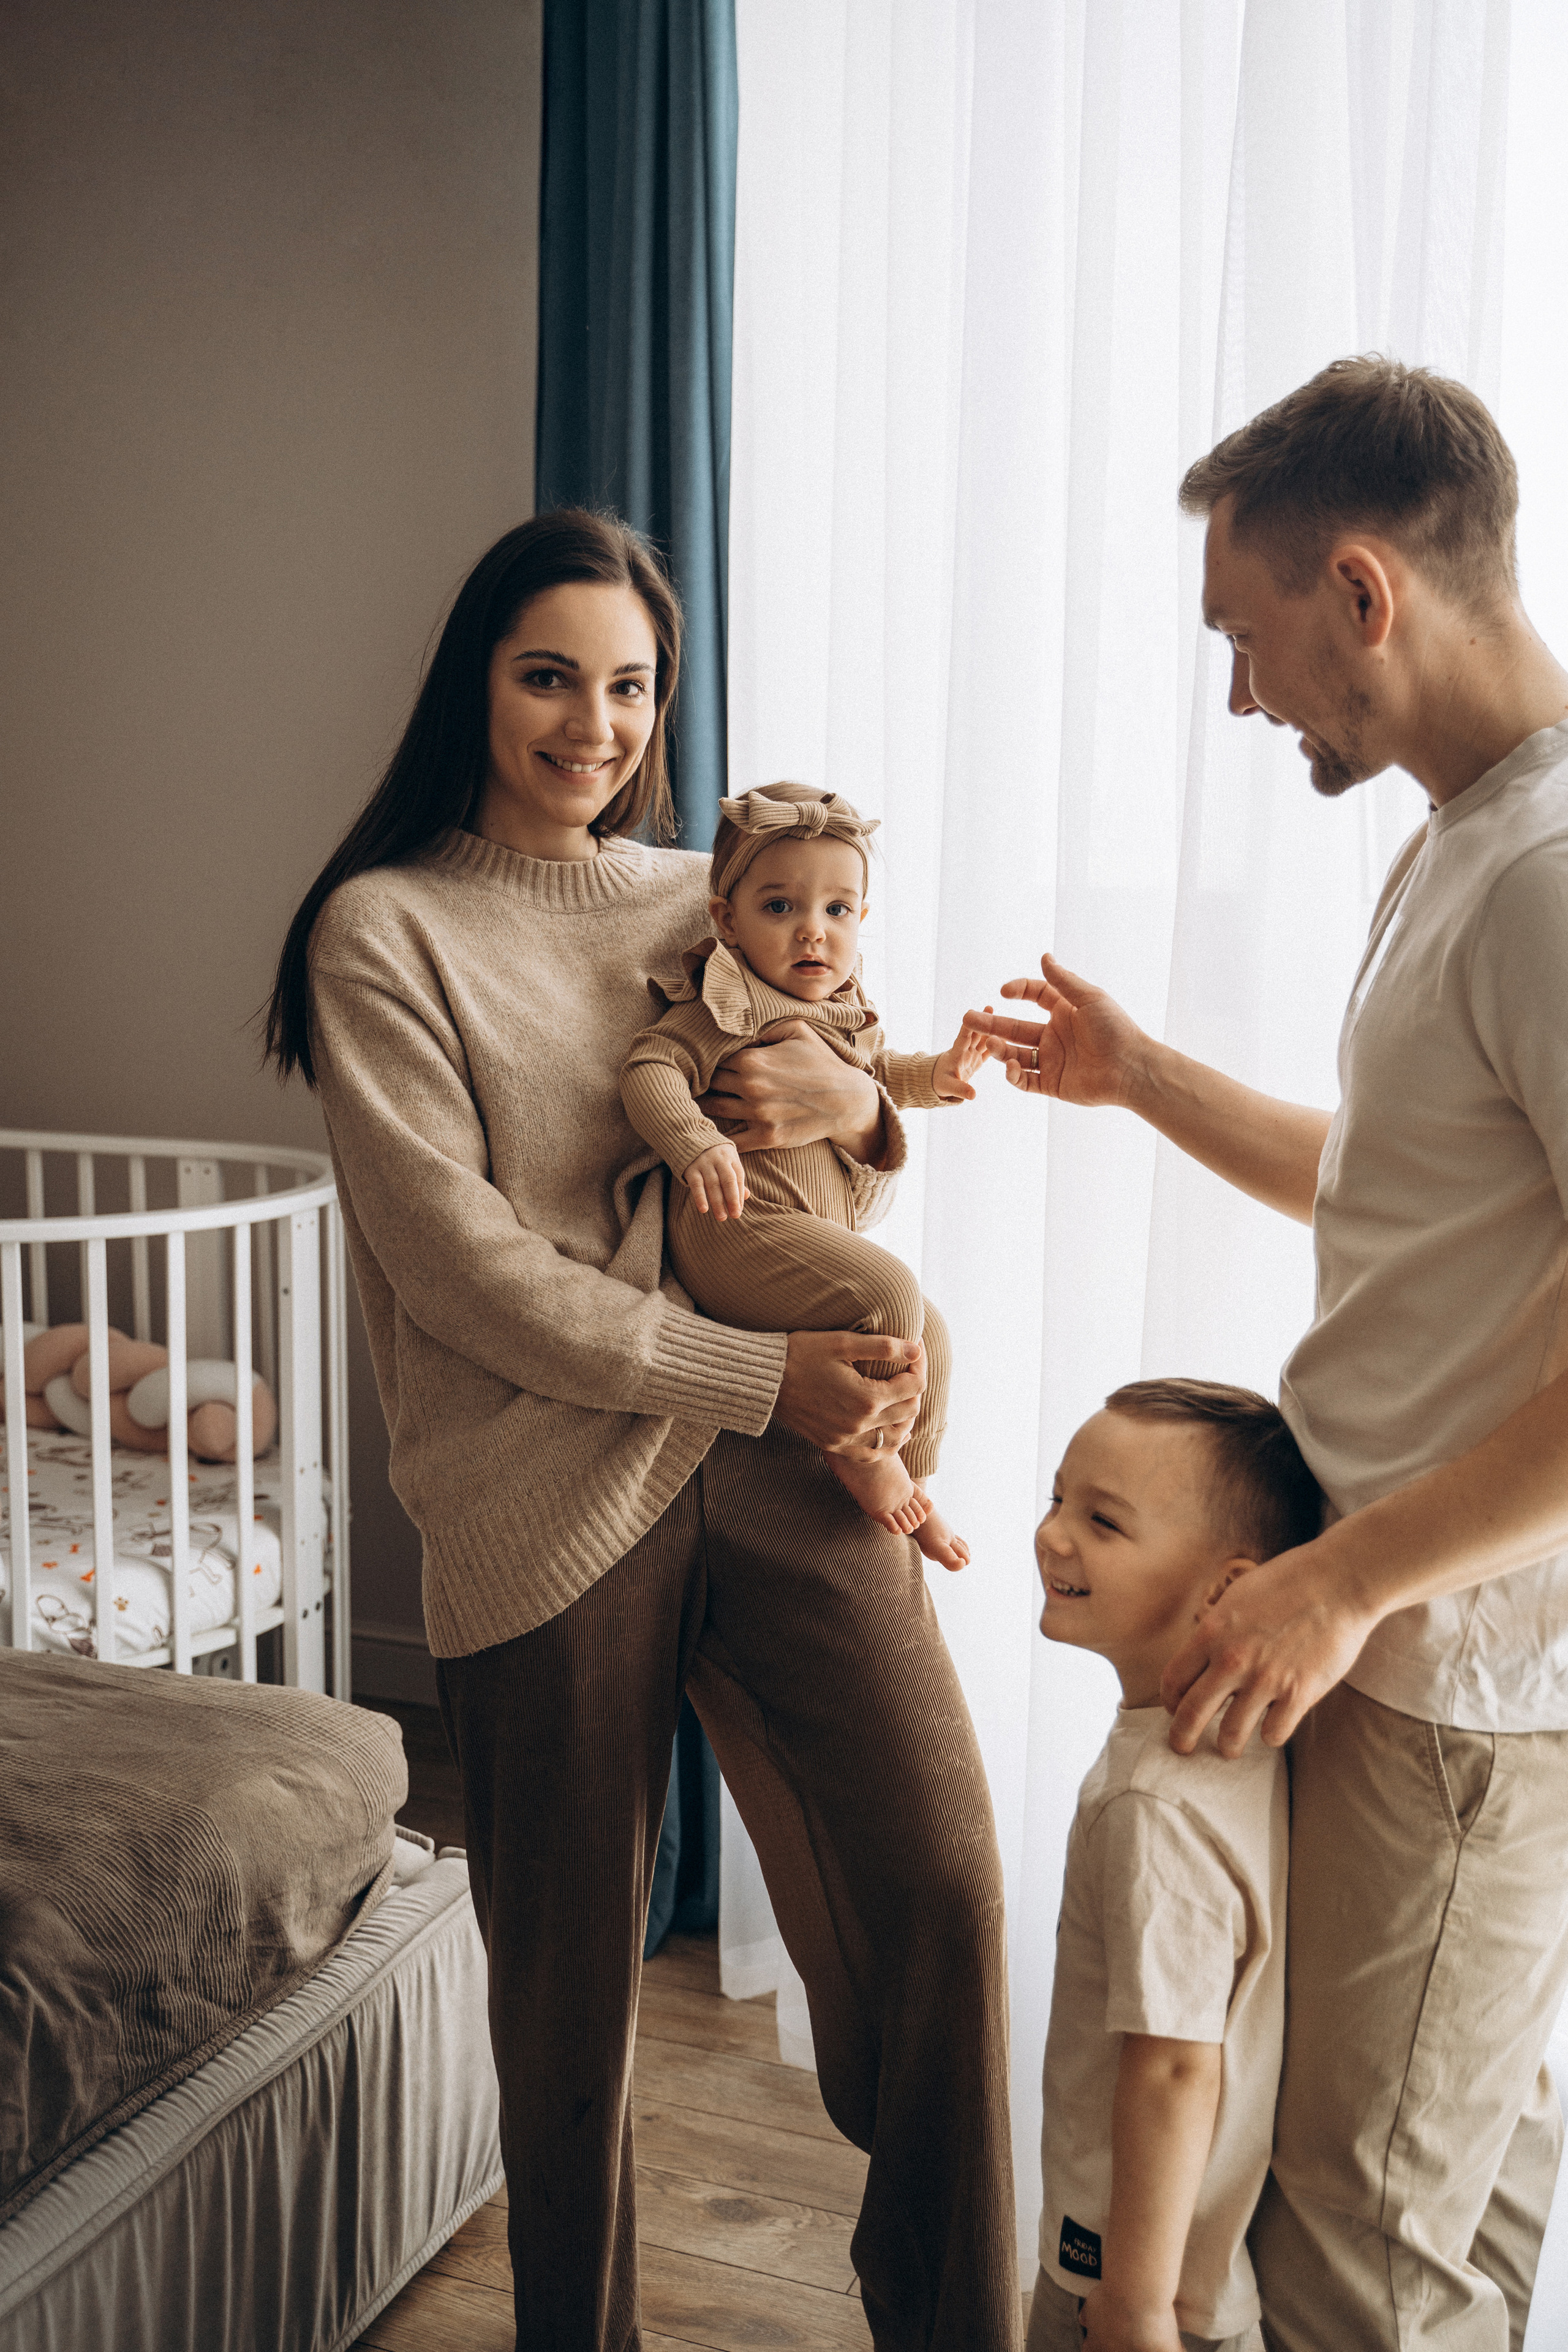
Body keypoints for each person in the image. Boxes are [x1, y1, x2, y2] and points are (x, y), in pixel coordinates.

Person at [263, 510, 1019, 2350]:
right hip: (543, 1489)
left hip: (778, 1462)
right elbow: (460, 1272)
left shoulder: (723, 889)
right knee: (572, 2005)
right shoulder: (386, 930)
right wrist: (753, 1378)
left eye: (629, 685)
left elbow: (817, 1169)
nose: (592, 724)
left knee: (942, 1882)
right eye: (549, 677)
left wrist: (873, 1101)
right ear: (477, 686)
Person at [970, 356, 1568, 2352]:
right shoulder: (1466, 845)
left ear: (1366, 592)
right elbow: (1401, 1187)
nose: (1247, 696)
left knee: (1355, 2266)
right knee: (1452, 2195)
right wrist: (1140, 1079)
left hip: (1456, 1673)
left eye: (1251, 638)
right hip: (1408, 1637)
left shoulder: (1557, 874)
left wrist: (1342, 1582)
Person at [620, 779, 986, 1572]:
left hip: (805, 1235)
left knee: (932, 1333)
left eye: (838, 911)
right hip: (735, 1230)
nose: (813, 934)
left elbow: (882, 1073)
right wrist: (693, 1143)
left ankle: (915, 1477)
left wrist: (943, 1075)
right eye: (781, 908)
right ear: (727, 919)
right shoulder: (723, 1006)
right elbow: (650, 1068)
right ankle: (864, 1457)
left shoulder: (845, 1008)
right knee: (888, 1294)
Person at [1027, 1379, 1319, 2352]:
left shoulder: (1155, 1805)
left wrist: (1132, 2303)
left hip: (1123, 2291)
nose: (1054, 1535)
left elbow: (1172, 2069)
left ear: (1225, 1591)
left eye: (1103, 1521)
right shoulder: (1249, 1748)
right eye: (1059, 1497)